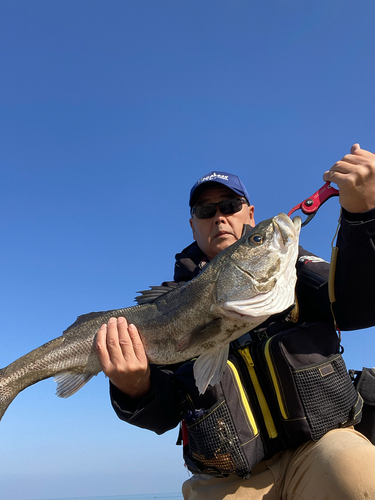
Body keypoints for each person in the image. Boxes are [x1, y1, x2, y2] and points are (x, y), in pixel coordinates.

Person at [96, 143, 375, 499]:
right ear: (193, 224)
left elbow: (358, 306)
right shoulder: (169, 309)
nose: (219, 217)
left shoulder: (296, 267)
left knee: (360, 477)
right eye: (205, 210)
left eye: (229, 206)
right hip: (229, 477)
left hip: (321, 446)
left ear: (250, 213)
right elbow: (163, 415)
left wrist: (363, 217)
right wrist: (133, 387)